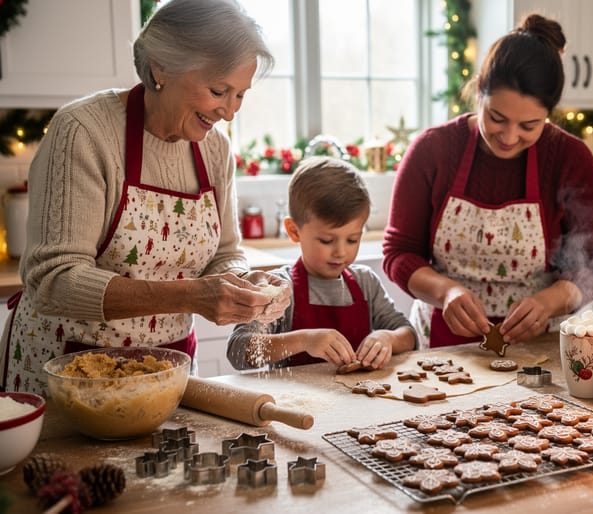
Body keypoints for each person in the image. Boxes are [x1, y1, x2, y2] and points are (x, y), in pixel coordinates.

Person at [0, 0, 291, 395]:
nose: (229, 112)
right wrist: (192, 295)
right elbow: (53, 281)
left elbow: (224, 252)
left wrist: (244, 283)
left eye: (240, 95)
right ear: (161, 69)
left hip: (166, 372)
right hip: (67, 374)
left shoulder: (215, 149)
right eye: (219, 90)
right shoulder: (84, 132)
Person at [382, 13, 593, 348]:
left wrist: (548, 303)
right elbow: (398, 253)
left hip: (537, 347)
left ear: (549, 113)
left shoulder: (570, 159)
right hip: (441, 346)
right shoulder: (432, 150)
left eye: (529, 125)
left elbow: (591, 265)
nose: (509, 137)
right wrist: (446, 291)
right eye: (496, 117)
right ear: (479, 92)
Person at [226, 157, 417, 371]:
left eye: (353, 239)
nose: (341, 252)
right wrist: (305, 340)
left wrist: (387, 338)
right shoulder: (279, 288)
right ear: (294, 231)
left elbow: (409, 334)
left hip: (359, 403)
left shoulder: (366, 282)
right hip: (293, 403)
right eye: (327, 240)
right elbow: (238, 350)